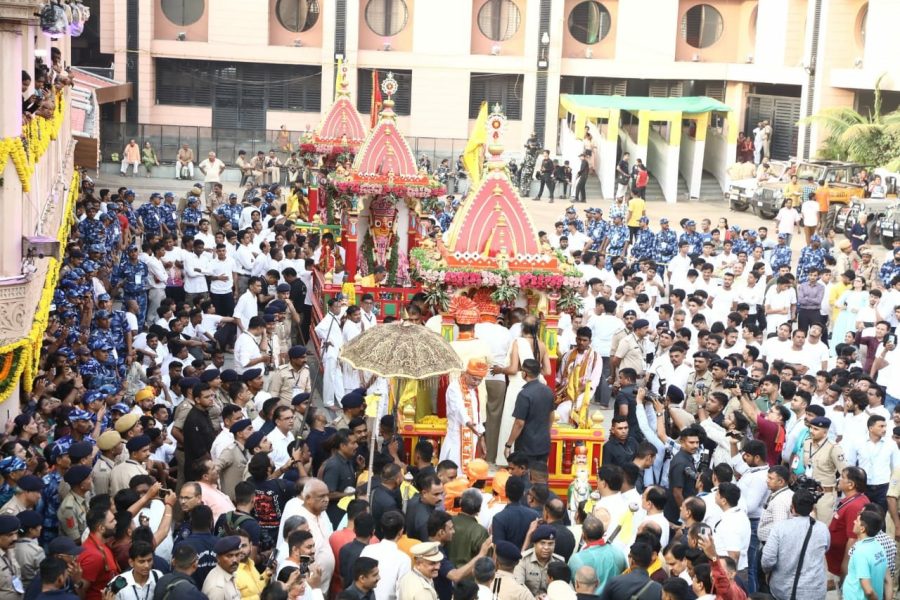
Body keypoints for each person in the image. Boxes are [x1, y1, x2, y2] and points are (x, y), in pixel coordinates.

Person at [760, 489, 829, 600]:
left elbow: (768, 559)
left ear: (792, 507)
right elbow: (825, 549)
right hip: (815, 590)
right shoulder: (822, 528)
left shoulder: (779, 528)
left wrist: (767, 573)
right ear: (812, 508)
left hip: (784, 590)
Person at [503, 359, 555, 469]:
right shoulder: (548, 391)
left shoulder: (524, 394)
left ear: (524, 373)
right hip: (544, 443)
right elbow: (551, 416)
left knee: (525, 478)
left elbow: (519, 423)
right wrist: (546, 432)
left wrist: (508, 444)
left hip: (527, 445)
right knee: (540, 476)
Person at [440, 359, 487, 467]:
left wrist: (482, 437)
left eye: (480, 380)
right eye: (474, 379)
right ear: (466, 374)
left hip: (472, 438)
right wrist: (467, 422)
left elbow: (477, 415)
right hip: (456, 437)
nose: (477, 383)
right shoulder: (454, 387)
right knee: (452, 471)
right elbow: (458, 408)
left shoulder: (474, 390)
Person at [843, 510, 890, 600]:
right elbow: (887, 579)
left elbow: (868, 590)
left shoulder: (860, 552)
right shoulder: (878, 546)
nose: (854, 522)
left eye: (857, 521)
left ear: (862, 528)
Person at [201, 535, 242, 600]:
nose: (235, 560)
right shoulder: (217, 588)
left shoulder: (229, 573)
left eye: (237, 555)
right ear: (218, 558)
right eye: (229, 556)